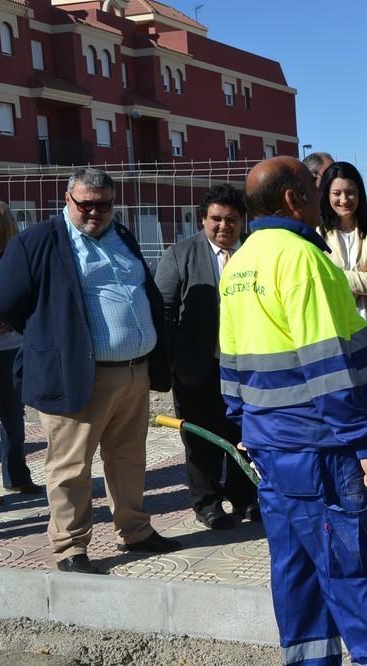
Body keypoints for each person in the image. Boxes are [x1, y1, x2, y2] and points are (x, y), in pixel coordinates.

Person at [220, 156, 367, 666]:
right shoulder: (304, 259)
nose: (323, 195)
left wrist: (246, 426)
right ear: (292, 199)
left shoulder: (239, 263)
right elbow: (331, 369)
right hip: (327, 452)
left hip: (273, 452)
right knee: (358, 579)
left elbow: (232, 366)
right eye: (313, 186)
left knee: (298, 579)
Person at [0, 167, 181, 576]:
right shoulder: (38, 241)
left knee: (128, 459)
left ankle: (135, 530)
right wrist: (53, 337)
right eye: (86, 204)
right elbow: (6, 301)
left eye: (104, 204)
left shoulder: (122, 235)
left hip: (134, 373)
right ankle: (70, 547)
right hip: (77, 375)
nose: (95, 212)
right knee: (71, 467)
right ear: (68, 199)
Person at [155, 184, 259, 530]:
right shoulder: (180, 254)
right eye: (215, 219)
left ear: (243, 220)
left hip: (247, 367)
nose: (223, 226)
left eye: (231, 219)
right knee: (200, 438)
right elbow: (164, 310)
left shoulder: (255, 254)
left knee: (244, 434)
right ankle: (207, 503)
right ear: (203, 220)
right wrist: (172, 362)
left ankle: (245, 496)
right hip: (197, 367)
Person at [0, 201, 41, 508]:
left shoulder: (19, 256)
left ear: (3, 227)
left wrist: (14, 315)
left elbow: (34, 294)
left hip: (13, 348)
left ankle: (16, 475)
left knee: (14, 417)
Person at [317, 161, 367, 418]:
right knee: (343, 406)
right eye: (337, 193)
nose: (344, 199)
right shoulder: (316, 233)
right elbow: (319, 283)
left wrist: (336, 278)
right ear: (326, 195)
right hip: (335, 334)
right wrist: (363, 279)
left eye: (351, 192)